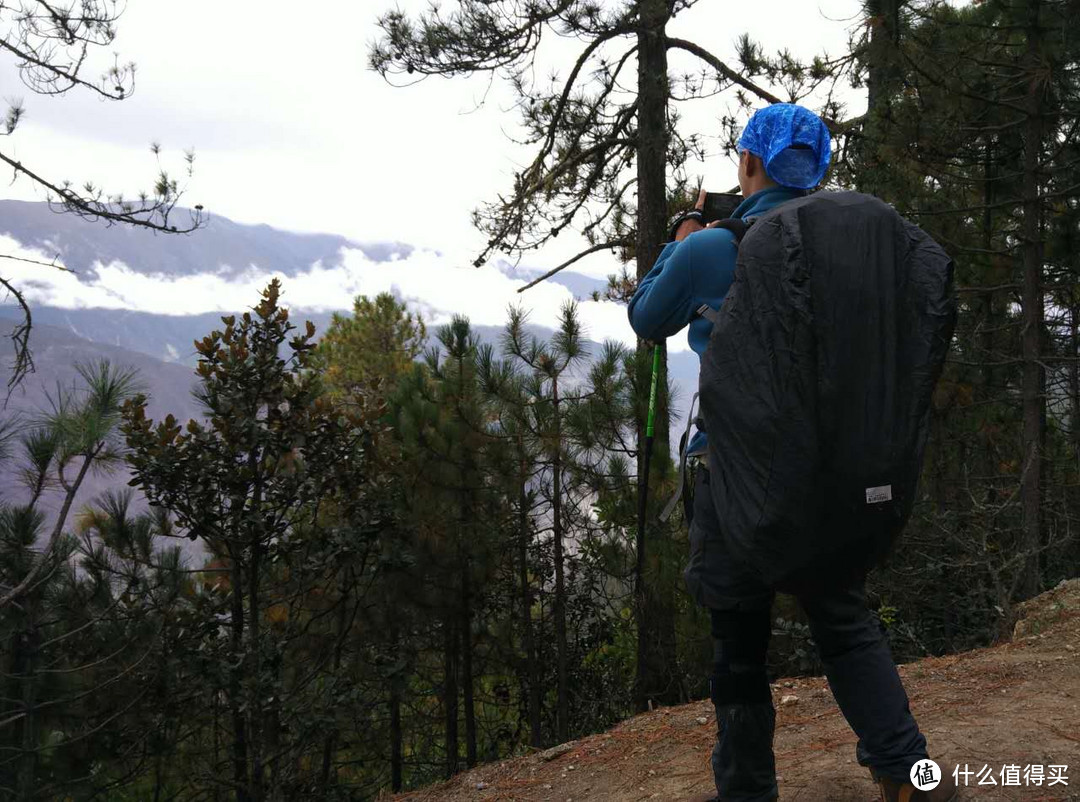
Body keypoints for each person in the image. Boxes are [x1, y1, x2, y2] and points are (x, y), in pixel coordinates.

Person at [627, 103, 958, 802]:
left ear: (748, 163)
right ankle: (909, 774)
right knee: (843, 618)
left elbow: (647, 317)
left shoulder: (715, 246)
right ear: (820, 167)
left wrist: (684, 234)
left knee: (739, 644)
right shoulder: (858, 241)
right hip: (833, 475)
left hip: (737, 479)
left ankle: (748, 792)